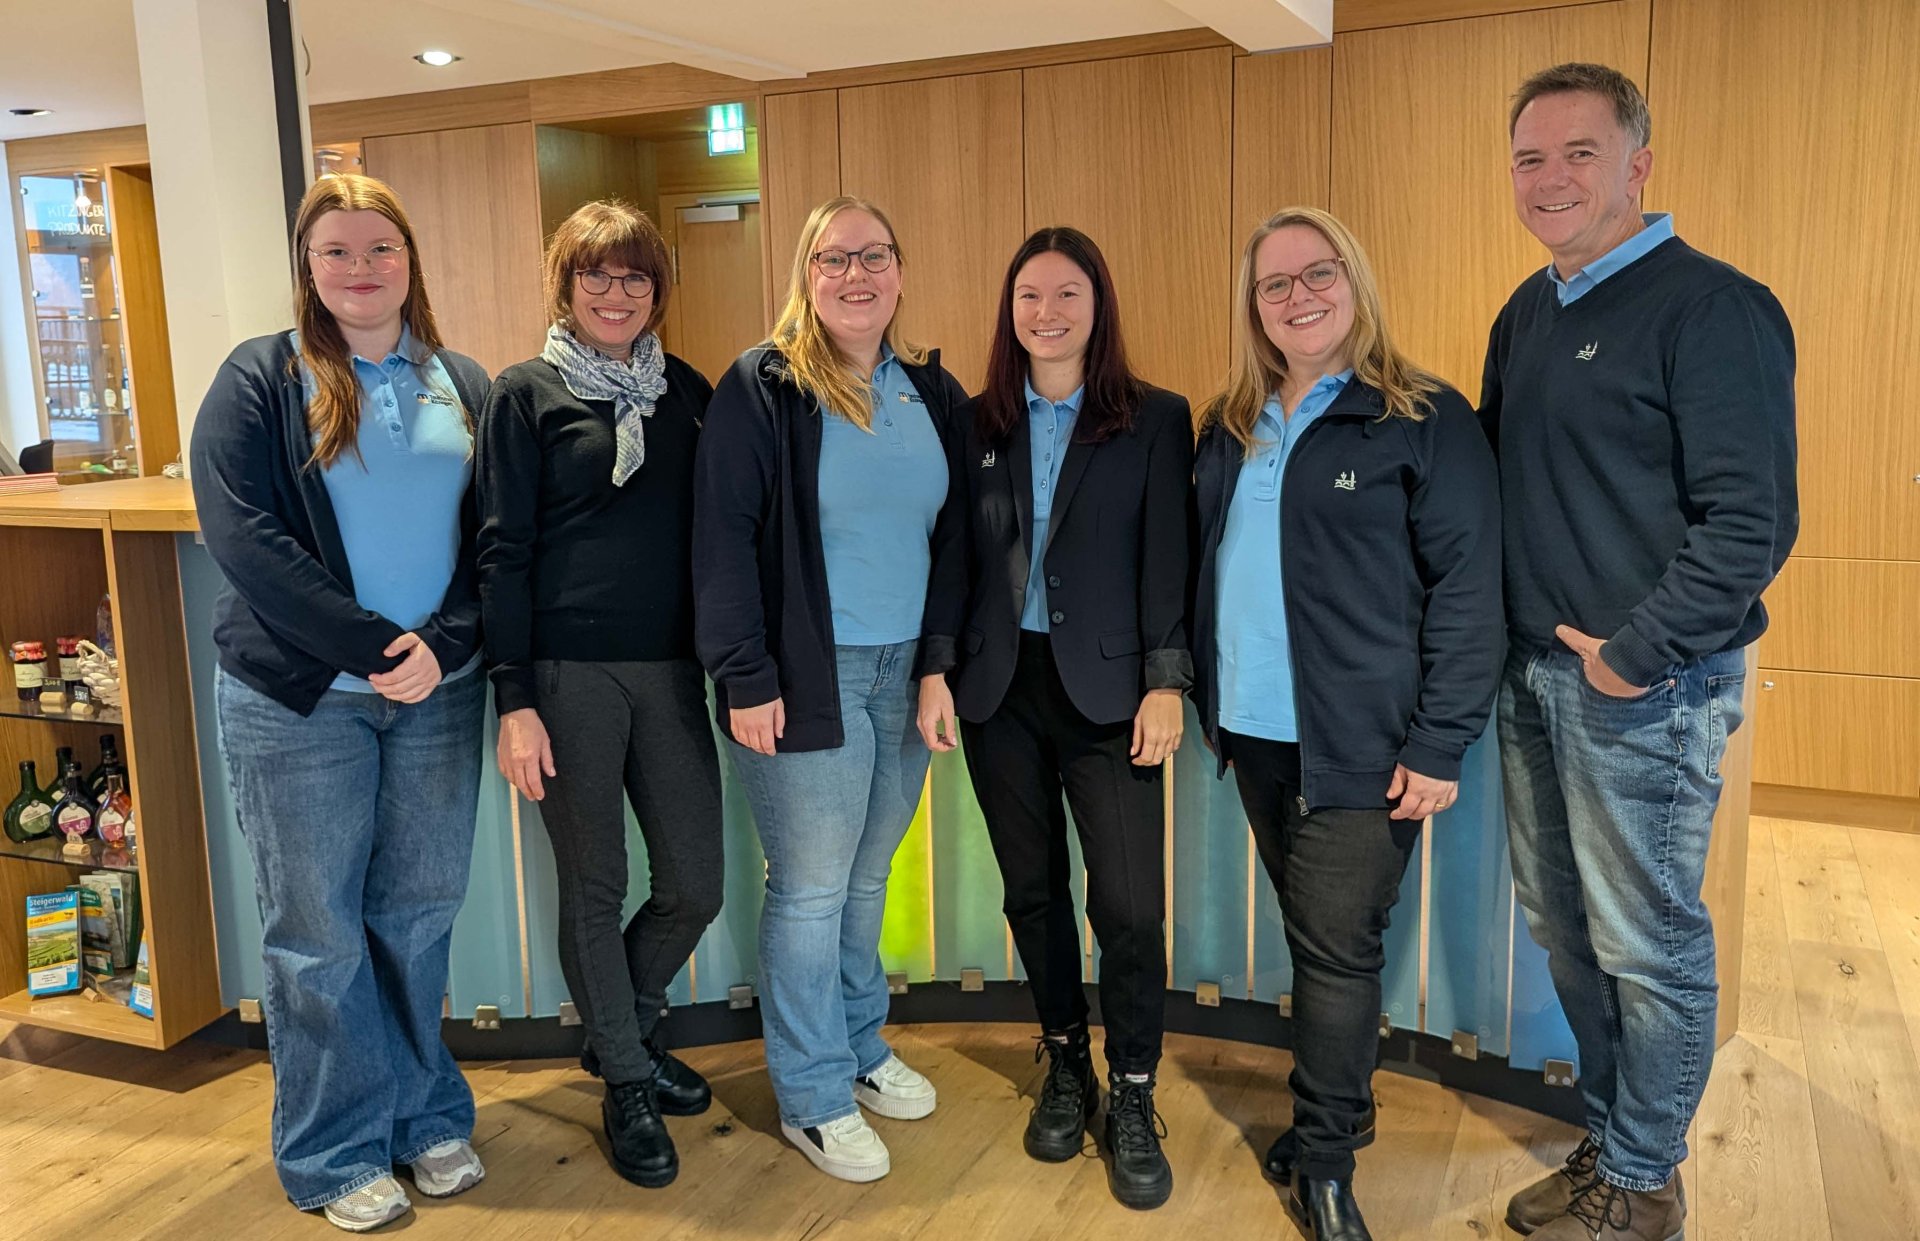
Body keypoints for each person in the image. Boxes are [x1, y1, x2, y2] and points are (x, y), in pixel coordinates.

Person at [1481, 63, 1796, 1241]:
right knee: (1567, 929)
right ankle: (1617, 1141)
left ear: (1638, 164)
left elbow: (1752, 522)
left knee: (1648, 942)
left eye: (1579, 151)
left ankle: (1645, 1180)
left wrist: (1633, 652)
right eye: (1530, 157)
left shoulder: (1713, 309)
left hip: (1645, 689)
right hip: (1532, 679)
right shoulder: (1528, 312)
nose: (1550, 178)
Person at [1191, 206, 1503, 1241]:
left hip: (1364, 744)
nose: (1299, 297)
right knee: (1320, 935)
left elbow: (1469, 589)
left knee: (1333, 951)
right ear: (1254, 306)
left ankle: (1325, 1160)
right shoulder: (1230, 423)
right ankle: (1339, 1110)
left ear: (1355, 280)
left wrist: (1439, 739)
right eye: (1274, 284)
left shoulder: (1421, 416)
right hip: (1253, 732)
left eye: (1318, 273)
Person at [190, 173, 491, 1233]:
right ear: (307, 267)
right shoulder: (259, 376)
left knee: (418, 915)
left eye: (380, 249)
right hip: (300, 699)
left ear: (410, 261)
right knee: (317, 933)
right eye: (336, 251)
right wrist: (376, 647)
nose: (360, 269)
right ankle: (333, 1148)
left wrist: (441, 645)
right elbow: (243, 536)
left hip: (437, 697)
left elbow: (496, 537)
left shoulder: (460, 378)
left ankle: (422, 1115)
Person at [692, 196, 967, 1184]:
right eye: (835, 258)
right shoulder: (763, 386)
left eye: (874, 255)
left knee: (866, 878)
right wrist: (744, 673)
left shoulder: (929, 388)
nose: (857, 274)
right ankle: (812, 1093)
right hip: (806, 673)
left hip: (905, 674)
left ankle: (859, 1044)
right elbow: (722, 536)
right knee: (810, 888)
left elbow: (957, 542)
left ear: (900, 271)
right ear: (805, 275)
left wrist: (938, 665)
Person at [917, 226, 1190, 1210]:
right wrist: (936, 667)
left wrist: (1167, 678)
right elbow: (955, 552)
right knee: (1031, 891)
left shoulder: (1154, 418)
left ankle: (1135, 1086)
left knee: (1128, 903)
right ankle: (1068, 1059)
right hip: (1001, 689)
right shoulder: (978, 421)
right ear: (1011, 309)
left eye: (1068, 292)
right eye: (1029, 294)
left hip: (1113, 696)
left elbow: (1169, 554)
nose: (1047, 311)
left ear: (1098, 303)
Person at [475, 199, 724, 1189]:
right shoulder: (523, 395)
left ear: (658, 289)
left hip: (670, 669)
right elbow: (502, 553)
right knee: (595, 885)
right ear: (566, 285)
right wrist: (514, 699)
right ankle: (625, 1072)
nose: (616, 293)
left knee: (695, 883)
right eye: (596, 275)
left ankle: (622, 1025)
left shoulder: (690, 392)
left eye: (635, 276)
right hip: (565, 676)